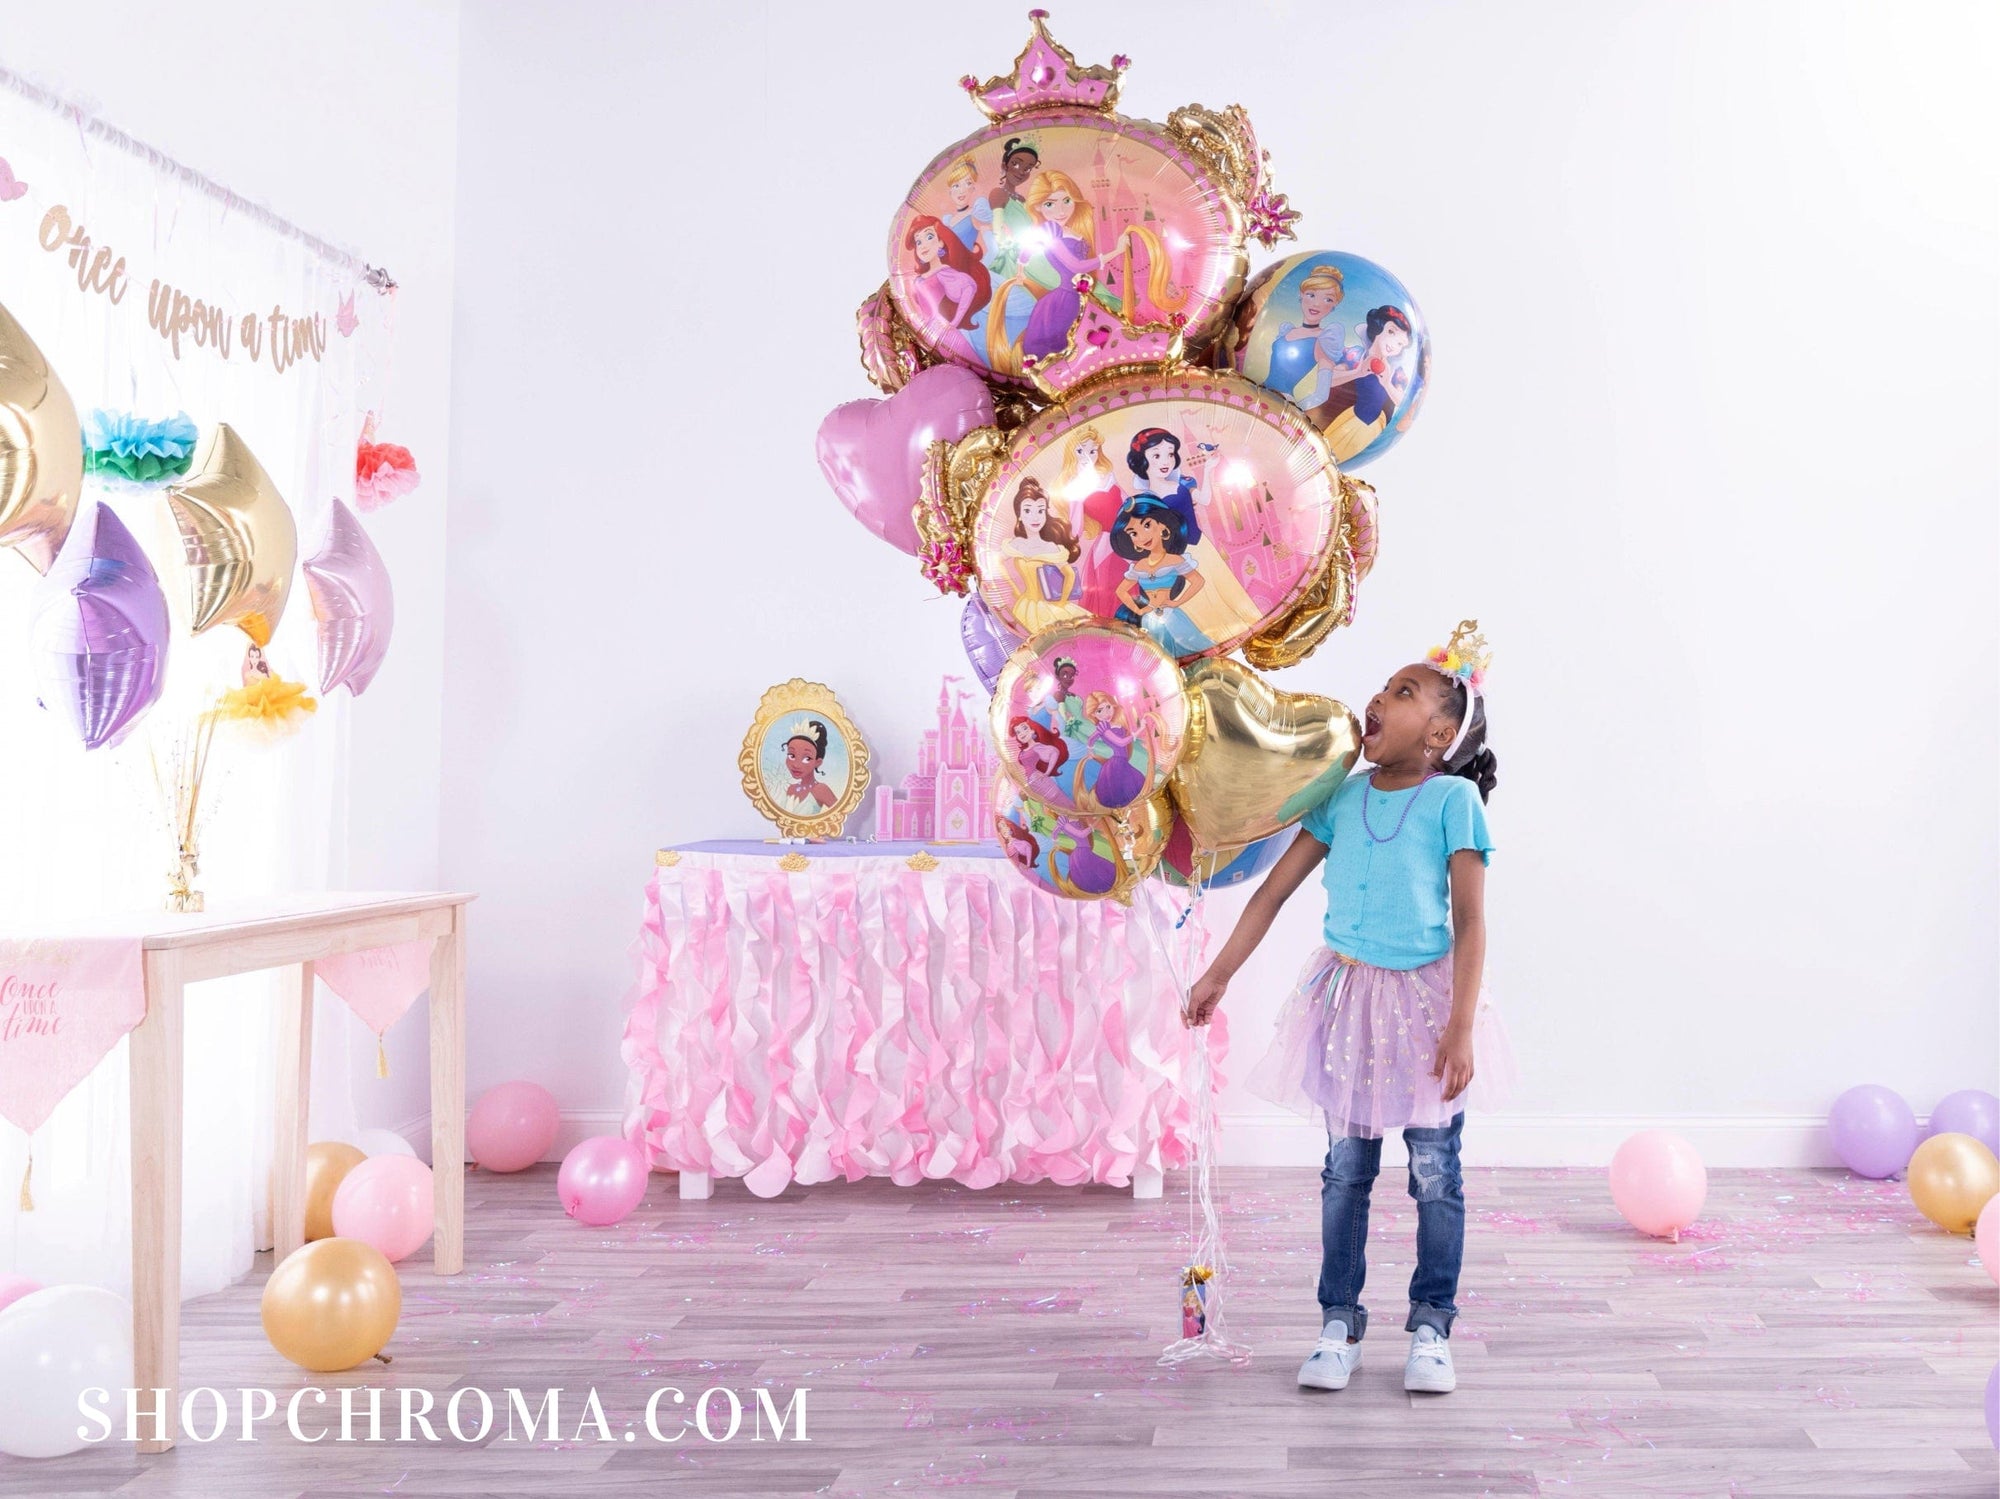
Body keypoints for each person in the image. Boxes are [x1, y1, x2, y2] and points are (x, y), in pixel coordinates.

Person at [1182, 622, 1510, 1398]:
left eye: (1403, 692)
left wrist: (1460, 1025)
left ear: (1437, 733)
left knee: (1435, 1170)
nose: (1378, 697)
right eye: (1384, 686)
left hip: (1428, 1008)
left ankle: (1432, 1324)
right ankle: (1339, 1321)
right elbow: (1272, 891)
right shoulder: (1342, 795)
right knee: (1346, 1172)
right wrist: (1219, 971)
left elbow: (1470, 923)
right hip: (1349, 1002)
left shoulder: (1454, 801)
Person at [781, 720, 840, 809]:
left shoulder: (821, 789)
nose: (796, 765)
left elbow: (841, 813)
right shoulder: (790, 789)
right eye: (792, 755)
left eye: (807, 758)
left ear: (818, 762)